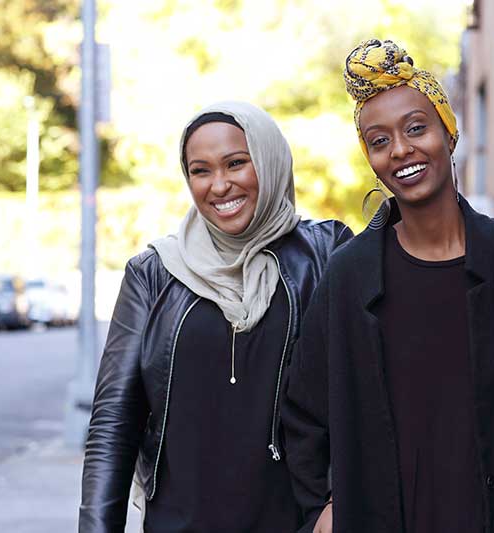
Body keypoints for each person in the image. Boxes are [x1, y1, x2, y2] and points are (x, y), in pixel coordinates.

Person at [282, 39, 494, 533]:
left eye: (416, 128)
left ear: (448, 130)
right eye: (379, 141)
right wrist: (322, 509)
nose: (400, 150)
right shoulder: (350, 277)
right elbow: (304, 413)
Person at [79, 101, 352, 533]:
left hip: (298, 522)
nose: (220, 185)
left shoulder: (326, 253)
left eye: (236, 163)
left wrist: (341, 500)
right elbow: (114, 422)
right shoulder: (153, 273)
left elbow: (362, 393)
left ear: (269, 160)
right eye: (200, 170)